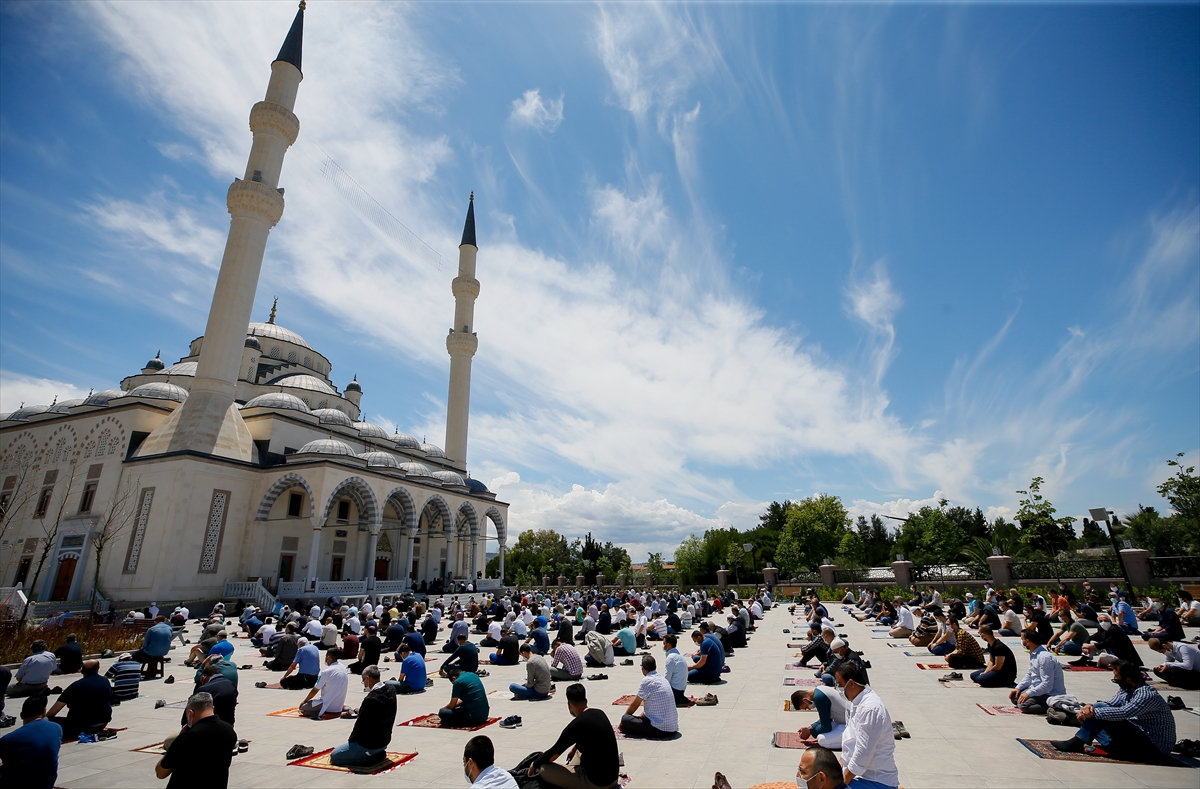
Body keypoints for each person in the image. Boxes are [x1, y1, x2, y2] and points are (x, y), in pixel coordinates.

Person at [1051, 660, 1177, 762]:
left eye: (1116, 676)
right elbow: (1110, 703)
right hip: (1138, 736)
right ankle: (1115, 748)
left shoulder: (1146, 695)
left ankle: (1078, 742)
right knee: (1097, 711)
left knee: (1098, 715)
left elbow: (1124, 712)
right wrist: (1088, 707)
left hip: (1154, 746)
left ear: (1128, 679)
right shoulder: (1127, 689)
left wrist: (1094, 713)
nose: (1114, 679)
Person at [528, 683, 621, 789]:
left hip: (597, 783)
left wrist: (535, 764)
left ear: (569, 705)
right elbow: (593, 737)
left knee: (543, 769)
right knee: (578, 753)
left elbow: (555, 752)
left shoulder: (577, 725)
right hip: (613, 778)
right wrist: (575, 747)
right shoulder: (600, 713)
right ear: (586, 700)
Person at [836, 662, 898, 789]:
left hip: (876, 781)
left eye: (840, 685)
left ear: (851, 683)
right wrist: (837, 768)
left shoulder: (870, 708)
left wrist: (841, 783)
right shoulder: (857, 701)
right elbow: (851, 743)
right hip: (859, 774)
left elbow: (862, 754)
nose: (838, 689)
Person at [155, 692, 237, 788]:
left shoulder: (186, 738)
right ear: (212, 708)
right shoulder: (229, 731)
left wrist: (178, 741)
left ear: (190, 713)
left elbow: (161, 773)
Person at [0, 695, 61, 789]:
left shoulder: (9, 739)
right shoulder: (57, 728)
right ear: (44, 711)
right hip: (46, 783)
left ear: (21, 715)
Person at [619, 654, 678, 739]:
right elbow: (650, 709)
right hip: (672, 727)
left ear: (643, 668)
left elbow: (635, 704)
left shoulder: (647, 681)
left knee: (625, 719)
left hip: (659, 729)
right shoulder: (663, 679)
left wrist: (624, 720)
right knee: (635, 720)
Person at [1009, 628, 1065, 715]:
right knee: (1015, 697)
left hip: (1050, 693)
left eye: (1022, 639)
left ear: (1028, 641)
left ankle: (1055, 706)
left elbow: (1047, 685)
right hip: (1039, 689)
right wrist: (1018, 688)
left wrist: (1028, 693)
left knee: (1024, 706)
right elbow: (1030, 674)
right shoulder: (1034, 654)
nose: (1021, 641)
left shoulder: (1044, 658)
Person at [791, 685, 851, 749]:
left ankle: (854, 741)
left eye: (806, 707)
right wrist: (811, 726)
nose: (809, 709)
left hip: (851, 725)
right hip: (843, 721)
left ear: (805, 700)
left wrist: (810, 731)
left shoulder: (819, 698)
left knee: (822, 740)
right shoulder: (820, 689)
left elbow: (826, 727)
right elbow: (827, 718)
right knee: (823, 733)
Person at [1077, 614, 1143, 668]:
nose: (1103, 622)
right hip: (1110, 652)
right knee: (1092, 642)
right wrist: (1085, 644)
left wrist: (1089, 646)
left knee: (1102, 655)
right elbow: (1092, 637)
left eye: (1105, 620)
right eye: (1101, 621)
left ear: (1110, 621)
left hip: (1122, 657)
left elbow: (1106, 643)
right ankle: (1084, 659)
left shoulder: (1115, 630)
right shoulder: (1102, 629)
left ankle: (1102, 665)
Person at [662, 634, 692, 707]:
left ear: (668, 645)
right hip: (681, 690)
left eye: (664, 644)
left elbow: (667, 679)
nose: (663, 646)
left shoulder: (671, 658)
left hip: (675, 691)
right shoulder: (678, 655)